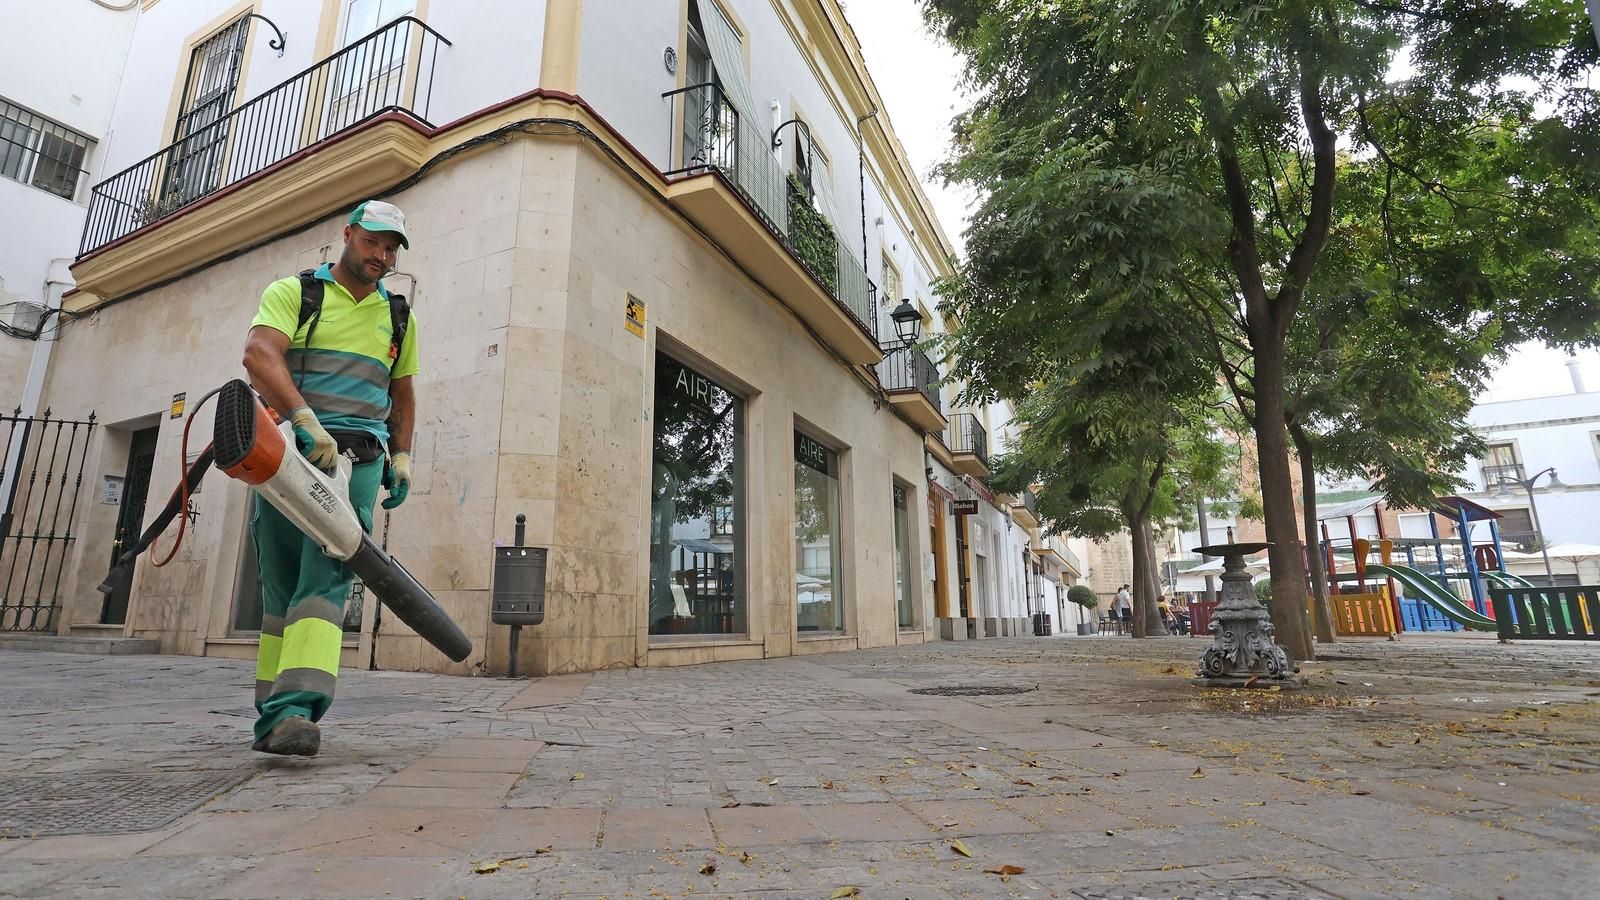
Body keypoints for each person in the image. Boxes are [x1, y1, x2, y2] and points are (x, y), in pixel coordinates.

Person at [241, 200, 420, 756]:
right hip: (290, 456)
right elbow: (258, 355)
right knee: (281, 583)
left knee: (328, 573)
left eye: (392, 248)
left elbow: (403, 391)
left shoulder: (398, 315)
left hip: (359, 463)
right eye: (373, 242)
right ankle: (271, 714)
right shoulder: (296, 293)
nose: (382, 256)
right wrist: (302, 417)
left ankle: (295, 711)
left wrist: (405, 456)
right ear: (347, 234)